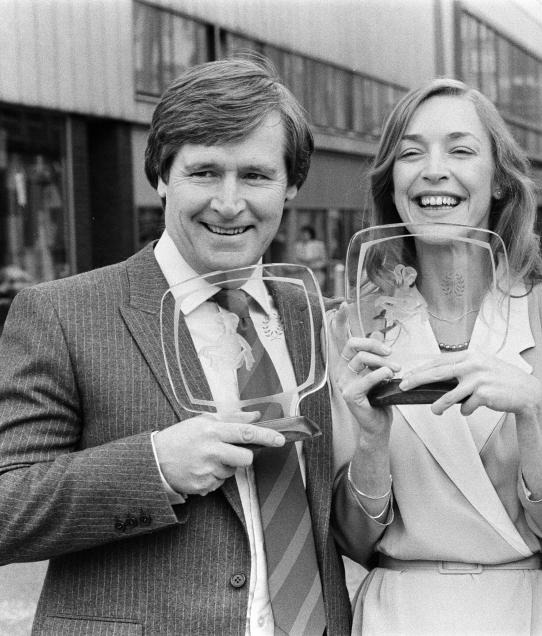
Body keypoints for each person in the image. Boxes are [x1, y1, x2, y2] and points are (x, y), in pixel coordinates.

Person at [0, 56, 351, 634]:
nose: (230, 202)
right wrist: (155, 466)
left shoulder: (311, 317)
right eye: (205, 172)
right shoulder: (62, 314)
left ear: (291, 186)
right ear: (162, 175)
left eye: (256, 176)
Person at [328, 78, 542, 634]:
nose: (433, 169)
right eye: (410, 153)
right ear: (391, 182)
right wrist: (373, 440)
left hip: (526, 609)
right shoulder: (351, 326)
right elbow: (351, 538)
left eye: (460, 149)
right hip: (395, 614)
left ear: (499, 180)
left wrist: (533, 412)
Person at [0, 265, 34, 333]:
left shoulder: (33, 300)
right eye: (12, 282)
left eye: (22, 281)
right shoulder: (4, 304)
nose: (19, 285)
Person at [295, 225, 328, 290]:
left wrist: (313, 263)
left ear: (310, 234)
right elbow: (296, 259)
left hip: (316, 272)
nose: (303, 236)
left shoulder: (318, 244)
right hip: (303, 273)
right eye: (302, 234)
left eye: (305, 234)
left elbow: (324, 260)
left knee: (314, 290)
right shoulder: (298, 245)